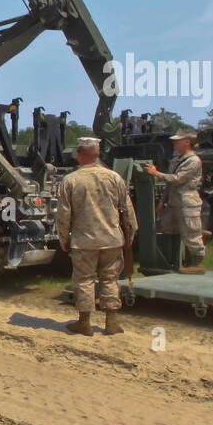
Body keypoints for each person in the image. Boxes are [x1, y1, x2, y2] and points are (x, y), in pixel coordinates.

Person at [56, 136, 138, 336]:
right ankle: (111, 322)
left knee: (84, 280)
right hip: (111, 239)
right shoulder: (114, 177)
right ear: (98, 153)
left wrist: (63, 238)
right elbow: (127, 211)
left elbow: (63, 215)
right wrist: (130, 236)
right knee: (110, 279)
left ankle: (84, 322)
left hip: (85, 241)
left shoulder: (71, 180)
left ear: (79, 154)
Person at [145, 130, 207, 274]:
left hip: (187, 202)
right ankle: (172, 260)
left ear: (187, 141)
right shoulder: (177, 159)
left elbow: (178, 179)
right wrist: (162, 202)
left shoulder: (193, 161)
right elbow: (170, 184)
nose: (174, 142)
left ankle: (198, 264)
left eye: (178, 140)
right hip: (174, 202)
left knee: (191, 232)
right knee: (167, 228)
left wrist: (157, 174)